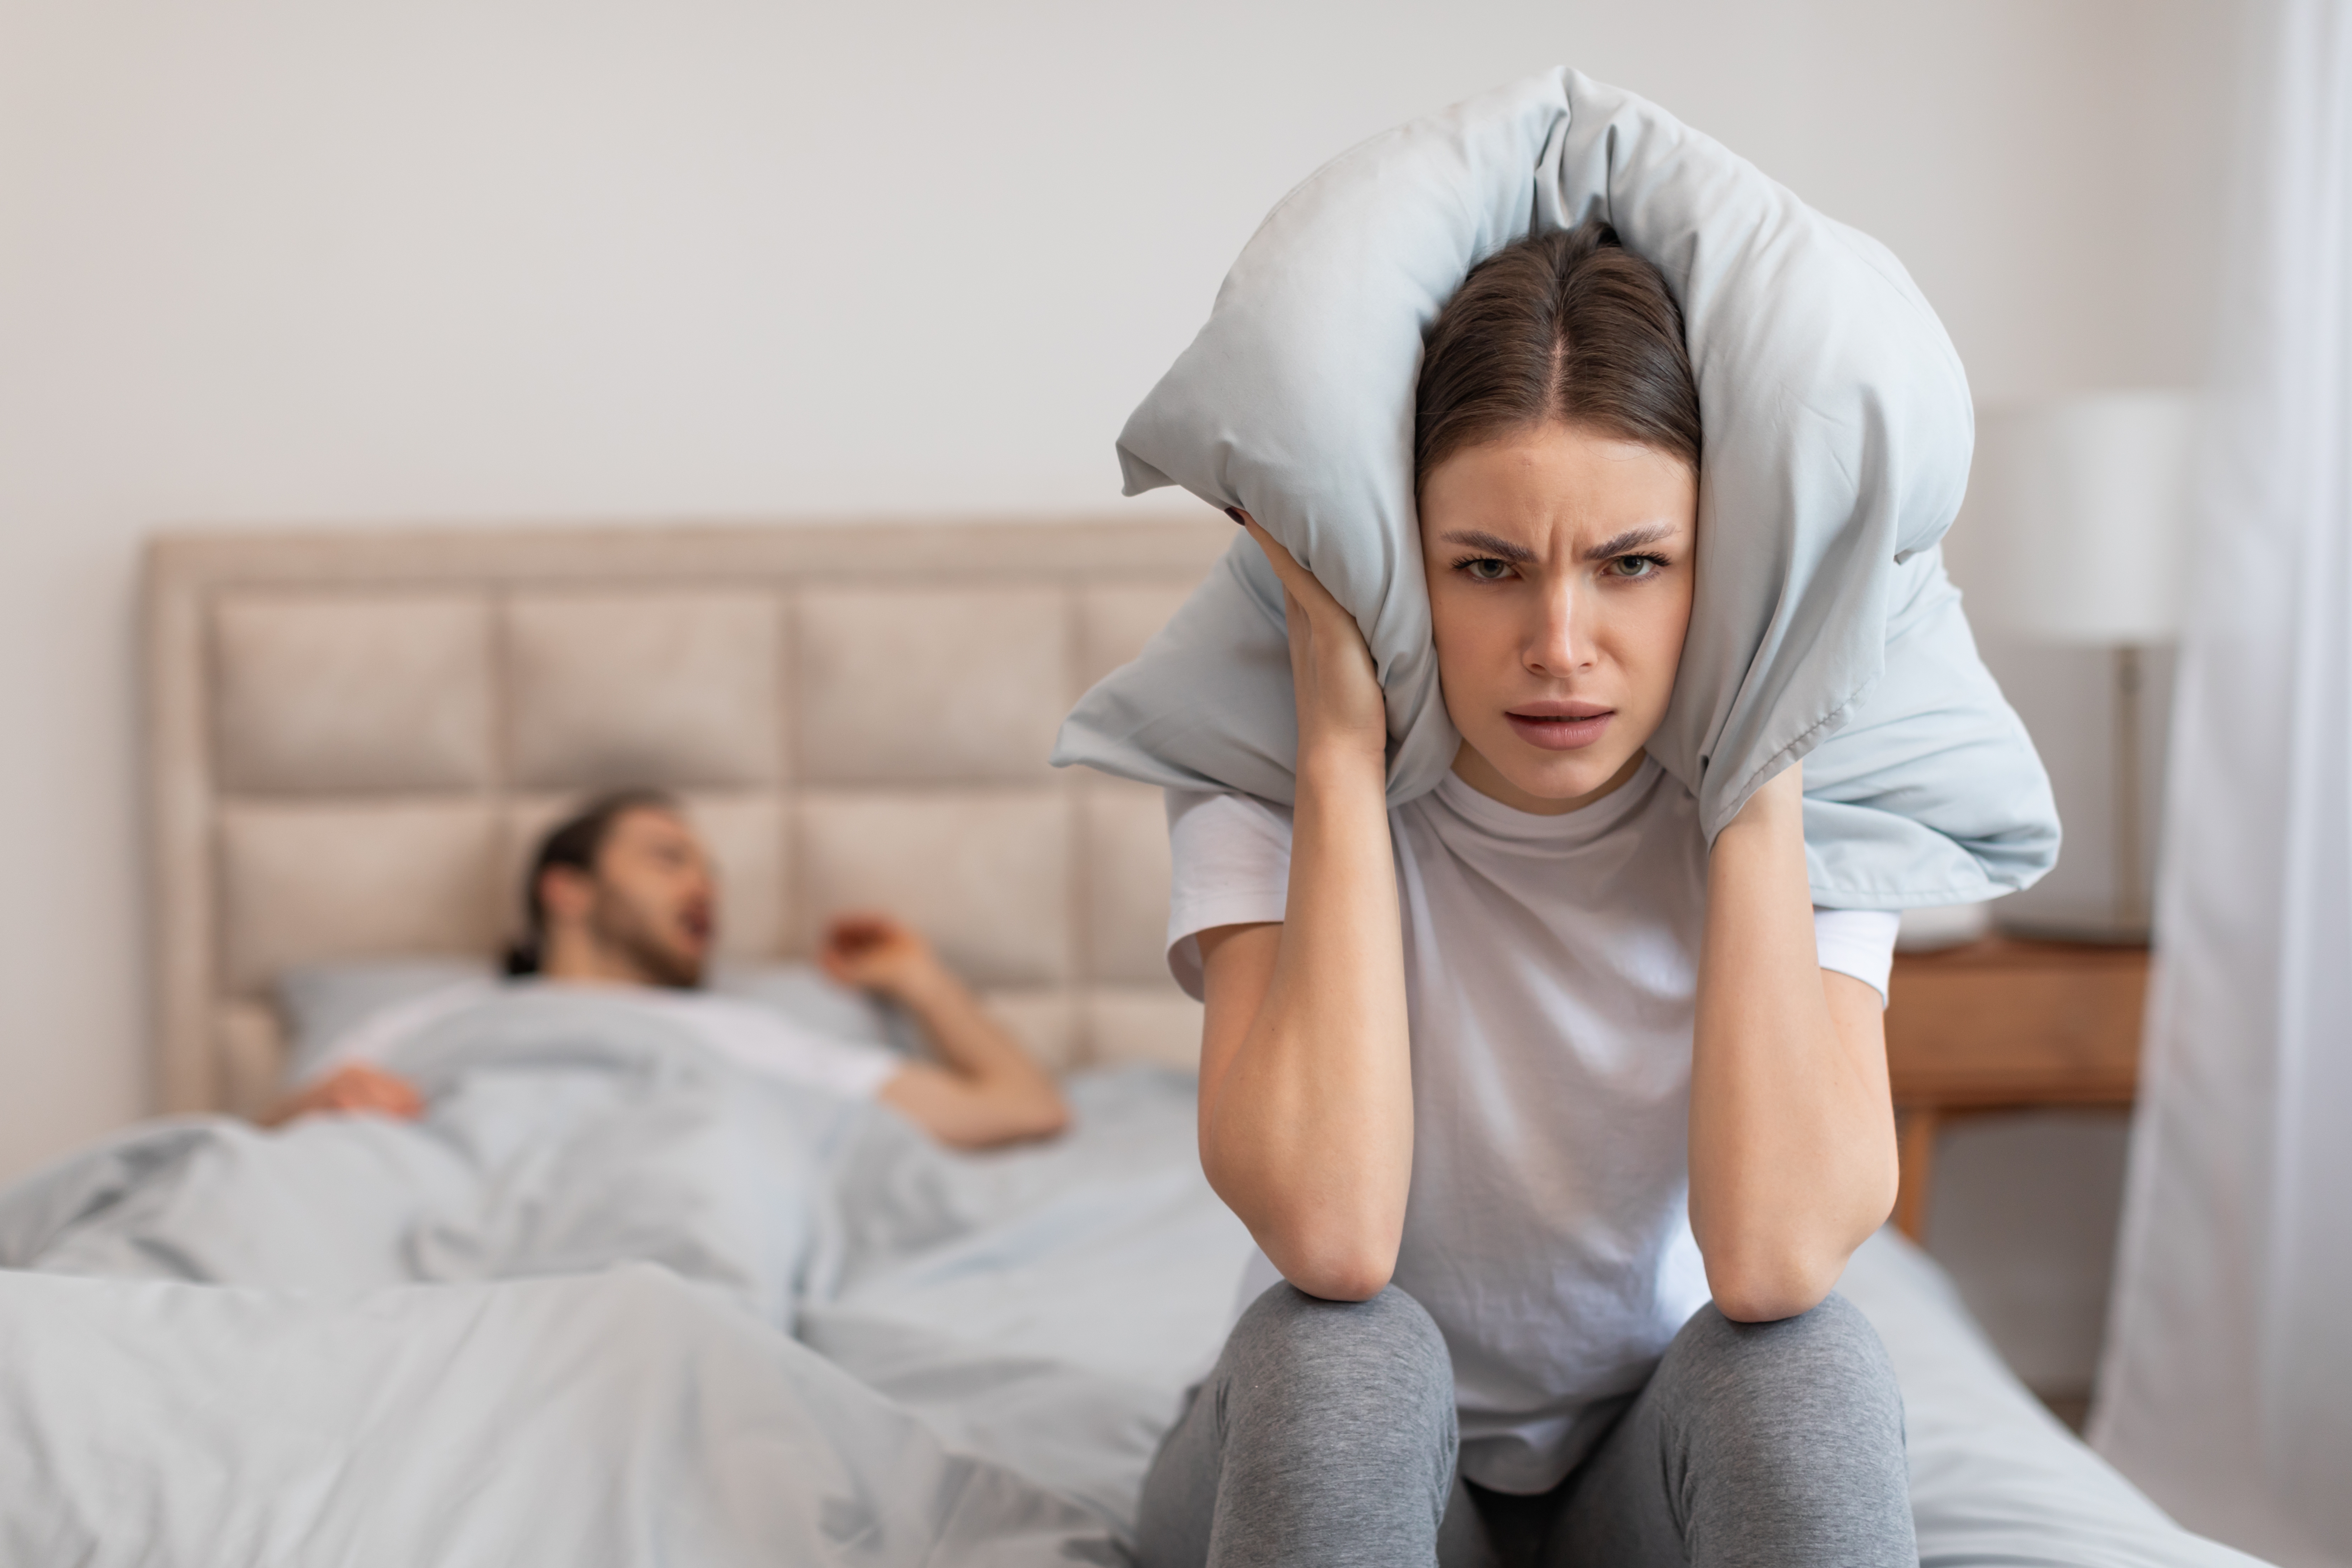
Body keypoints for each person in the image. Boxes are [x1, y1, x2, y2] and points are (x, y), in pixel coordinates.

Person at [1137, 223, 1914, 1567]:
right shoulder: (1260, 776)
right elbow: (1330, 1237)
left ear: (1713, 570)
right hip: (1344, 1463)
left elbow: (1775, 1257)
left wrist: (1756, 755)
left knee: (1806, 1368)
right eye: (1486, 567)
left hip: (1644, 1473)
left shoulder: (1819, 797)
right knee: (1340, 1362)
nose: (1559, 648)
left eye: (1632, 563)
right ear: (1401, 562)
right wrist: (1334, 740)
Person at [262, 789, 1070, 1150]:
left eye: (710, 872)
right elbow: (260, 1144)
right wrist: (322, 1104)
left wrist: (920, 981)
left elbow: (1023, 1109)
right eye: (667, 858)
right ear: (566, 889)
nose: (702, 886)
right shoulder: (430, 1020)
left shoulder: (741, 1035)